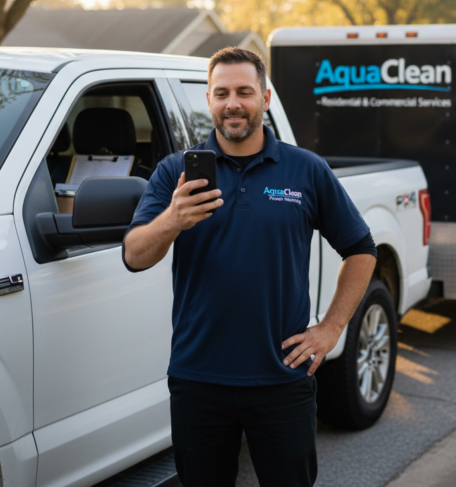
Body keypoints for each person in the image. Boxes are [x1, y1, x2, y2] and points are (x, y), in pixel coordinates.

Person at [123, 47, 377, 486]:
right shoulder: (174, 173)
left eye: (244, 92)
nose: (233, 104)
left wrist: (332, 327)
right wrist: (173, 219)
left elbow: (361, 248)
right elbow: (134, 256)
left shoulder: (306, 170)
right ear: (209, 100)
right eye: (222, 93)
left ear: (266, 98)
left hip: (282, 377)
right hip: (198, 379)